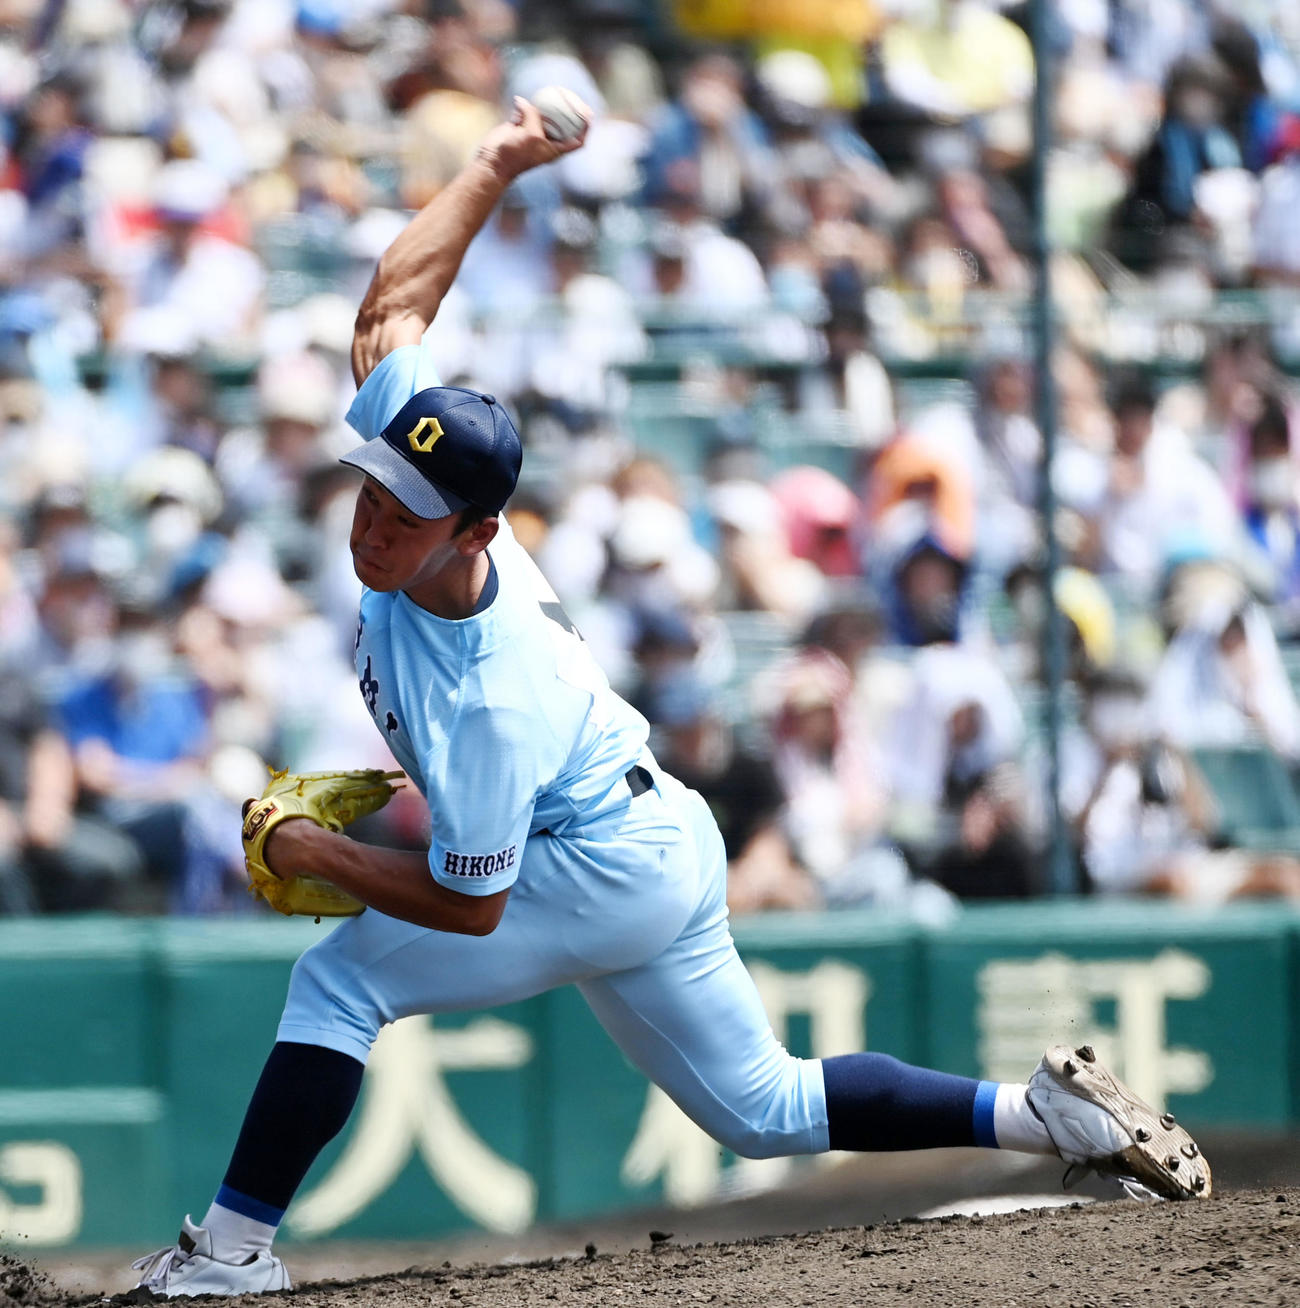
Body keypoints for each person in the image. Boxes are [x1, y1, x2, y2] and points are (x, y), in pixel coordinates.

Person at [130, 95, 1208, 1299]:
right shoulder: (421, 478)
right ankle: (1043, 1116)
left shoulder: (497, 698)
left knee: (339, 979)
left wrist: (315, 851)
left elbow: (469, 910)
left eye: (406, 516)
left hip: (592, 860)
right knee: (763, 1108)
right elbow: (390, 308)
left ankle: (229, 1258)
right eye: (371, 493)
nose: (373, 524)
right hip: (641, 831)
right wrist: (493, 162)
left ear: (479, 531)